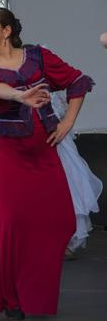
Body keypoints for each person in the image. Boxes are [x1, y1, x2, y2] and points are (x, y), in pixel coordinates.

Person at [0, 7, 94, 319]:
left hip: (43, 150)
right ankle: (12, 297)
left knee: (63, 219)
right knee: (10, 223)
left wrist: (66, 123)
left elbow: (77, 82)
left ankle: (30, 289)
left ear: (7, 30)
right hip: (6, 153)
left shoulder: (39, 56)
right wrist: (20, 96)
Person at [49, 91, 102, 259]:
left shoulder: (47, 90)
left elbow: (59, 114)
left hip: (56, 142)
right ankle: (52, 240)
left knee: (70, 186)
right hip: (46, 143)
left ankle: (66, 240)